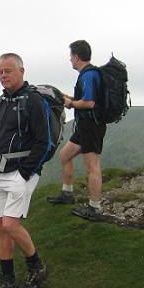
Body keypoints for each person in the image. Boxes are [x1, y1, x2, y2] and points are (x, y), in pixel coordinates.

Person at [0, 53, 48, 288]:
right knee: (0, 226)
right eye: (0, 71)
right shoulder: (1, 101)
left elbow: (44, 142)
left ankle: (37, 266)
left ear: (22, 70)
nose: (3, 75)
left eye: (8, 70)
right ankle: (7, 279)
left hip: (21, 173)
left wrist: (24, 172)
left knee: (11, 224)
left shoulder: (33, 101)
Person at [47, 40, 106, 220]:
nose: (70, 59)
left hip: (91, 126)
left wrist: (70, 103)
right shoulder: (87, 75)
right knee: (65, 155)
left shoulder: (88, 75)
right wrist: (69, 97)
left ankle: (95, 208)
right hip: (84, 126)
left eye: (71, 56)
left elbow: (89, 103)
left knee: (92, 167)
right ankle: (67, 194)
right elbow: (86, 98)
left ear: (77, 56)